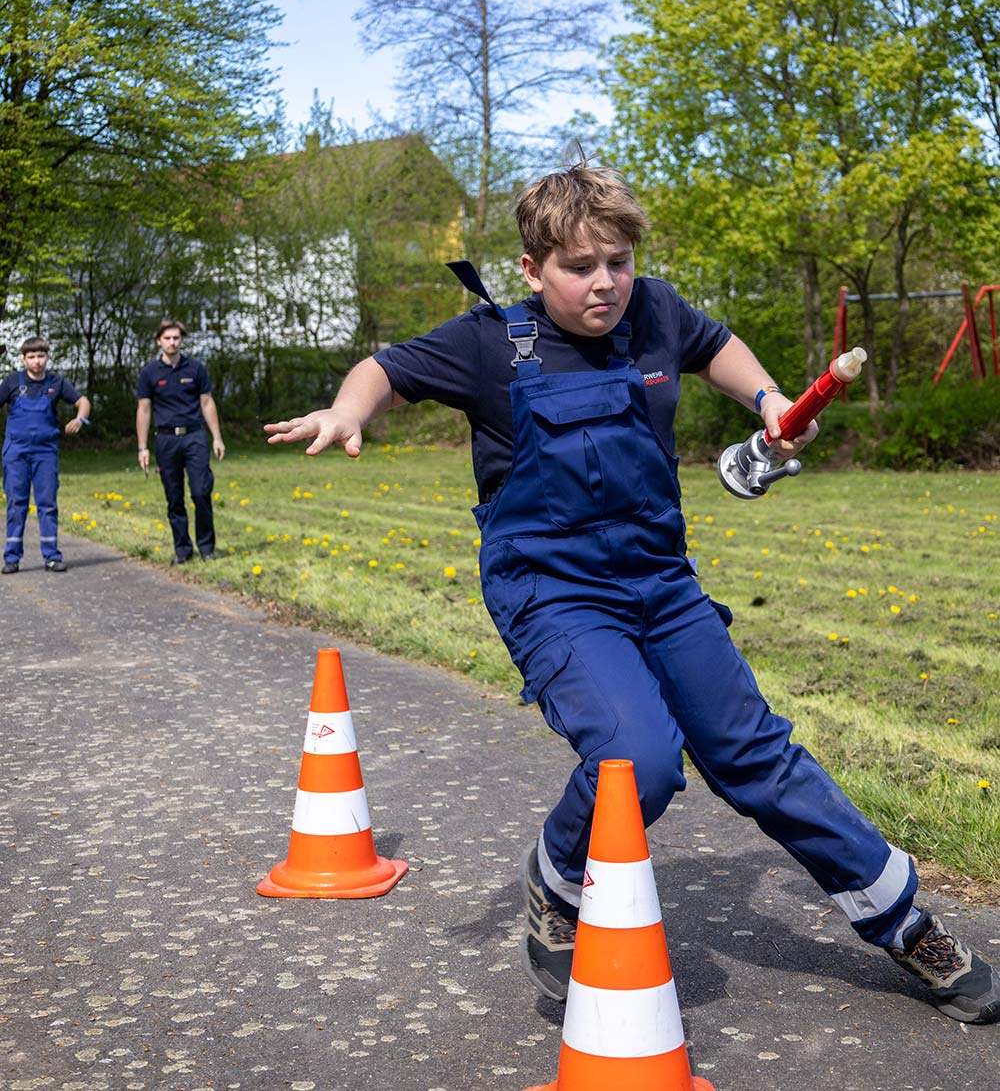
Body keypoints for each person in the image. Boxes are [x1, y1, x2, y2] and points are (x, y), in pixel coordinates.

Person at [264, 162, 1000, 1026]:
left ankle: (904, 922)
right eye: (581, 267)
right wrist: (350, 411)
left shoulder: (655, 309)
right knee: (635, 761)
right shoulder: (493, 341)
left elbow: (714, 344)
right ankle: (557, 878)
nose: (606, 282)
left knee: (754, 754)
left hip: (660, 581)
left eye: (619, 260)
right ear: (534, 270)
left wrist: (768, 401)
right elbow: (382, 369)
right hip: (553, 590)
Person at [136, 319, 225, 565]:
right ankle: (183, 550)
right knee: (174, 497)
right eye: (167, 338)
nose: (172, 342)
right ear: (159, 341)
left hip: (194, 436)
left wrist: (217, 437)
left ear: (181, 340)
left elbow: (207, 402)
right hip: (165, 440)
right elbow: (144, 410)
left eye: (176, 338)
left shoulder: (195, 368)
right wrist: (142, 448)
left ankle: (207, 548)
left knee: (200, 492)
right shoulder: (149, 373)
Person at [1, 337, 90, 573]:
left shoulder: (57, 383)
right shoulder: (12, 382)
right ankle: (11, 558)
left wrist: (80, 418)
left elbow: (83, 401)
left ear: (47, 357)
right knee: (16, 504)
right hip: (16, 453)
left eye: (40, 356)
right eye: (31, 357)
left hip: (45, 453)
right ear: (24, 359)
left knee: (47, 504)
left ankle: (51, 556)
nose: (36, 361)